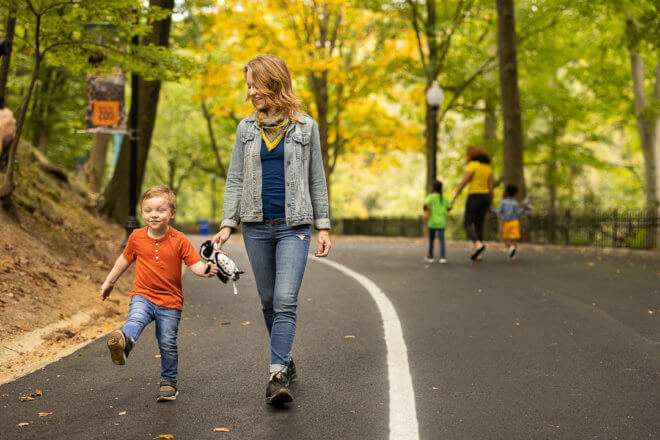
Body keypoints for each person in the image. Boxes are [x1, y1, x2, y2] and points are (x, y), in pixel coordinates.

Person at [211, 54, 331, 405]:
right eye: (248, 86)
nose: (250, 93)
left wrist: (322, 226)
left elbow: (317, 180)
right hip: (256, 225)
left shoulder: (306, 127)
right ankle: (286, 360)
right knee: (267, 300)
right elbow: (235, 179)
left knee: (285, 300)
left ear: (274, 82)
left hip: (294, 224)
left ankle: (276, 374)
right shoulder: (246, 129)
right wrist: (226, 224)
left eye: (255, 85)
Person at [99, 186, 218, 402]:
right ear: (142, 212)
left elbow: (195, 265)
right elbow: (124, 260)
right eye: (148, 210)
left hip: (170, 301)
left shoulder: (179, 239)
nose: (154, 214)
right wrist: (109, 281)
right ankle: (124, 342)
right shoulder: (136, 237)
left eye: (160, 210)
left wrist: (206, 270)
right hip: (143, 295)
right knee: (135, 318)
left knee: (167, 341)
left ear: (172, 214)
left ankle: (168, 382)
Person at [450, 145, 493, 261]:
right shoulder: (487, 168)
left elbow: (464, 181)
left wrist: (455, 196)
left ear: (471, 155)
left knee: (468, 223)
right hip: (485, 197)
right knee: (479, 225)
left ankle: (478, 244)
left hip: (475, 196)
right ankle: (478, 253)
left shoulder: (472, 165)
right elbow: (491, 187)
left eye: (467, 155)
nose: (466, 157)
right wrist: (490, 203)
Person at [492, 184, 527, 260]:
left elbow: (498, 211)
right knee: (514, 239)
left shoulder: (503, 202)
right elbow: (518, 213)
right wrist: (523, 208)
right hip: (515, 222)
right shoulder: (515, 202)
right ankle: (513, 255)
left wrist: (490, 209)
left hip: (507, 223)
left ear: (506, 192)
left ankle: (510, 249)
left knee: (506, 239)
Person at [423, 179, 451, 263]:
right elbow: (449, 208)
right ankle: (442, 257)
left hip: (432, 222)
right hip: (441, 222)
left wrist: (427, 211)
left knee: (431, 240)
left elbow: (425, 205)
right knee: (441, 240)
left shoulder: (430, 197)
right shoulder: (443, 198)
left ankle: (430, 256)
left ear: (433, 188)